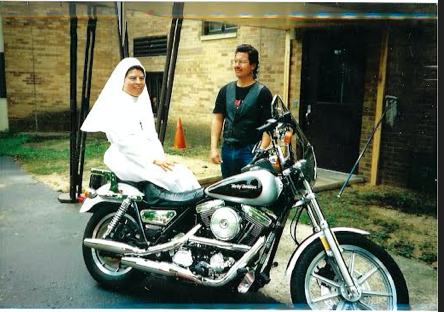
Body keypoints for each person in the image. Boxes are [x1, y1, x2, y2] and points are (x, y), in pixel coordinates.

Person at [81, 57, 200, 193]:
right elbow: (123, 142)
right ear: (123, 80)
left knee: (183, 173)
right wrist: (153, 160)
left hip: (146, 158)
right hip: (125, 159)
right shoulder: (115, 106)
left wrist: (160, 158)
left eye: (142, 78)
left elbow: (151, 136)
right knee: (169, 180)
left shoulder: (141, 102)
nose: (138, 82)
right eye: (133, 78)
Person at [210, 44, 273, 178]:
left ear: (253, 65)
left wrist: (261, 152)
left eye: (242, 62)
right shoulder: (225, 91)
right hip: (228, 149)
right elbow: (217, 118)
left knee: (249, 191)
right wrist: (214, 147)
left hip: (250, 151)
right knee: (228, 190)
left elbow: (268, 126)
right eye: (235, 61)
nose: (237, 65)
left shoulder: (262, 93)